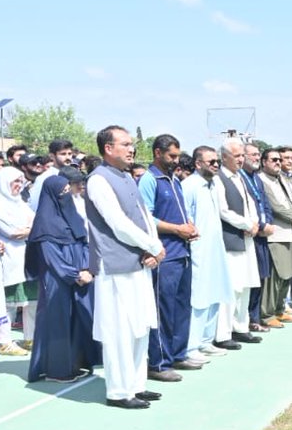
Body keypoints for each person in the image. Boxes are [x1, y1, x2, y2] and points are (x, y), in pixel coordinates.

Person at [85, 125, 166, 409]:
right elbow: (118, 224)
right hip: (115, 266)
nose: (132, 149)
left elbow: (144, 216)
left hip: (138, 262)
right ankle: (119, 392)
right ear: (108, 148)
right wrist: (153, 246)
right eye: (126, 144)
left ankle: (136, 385)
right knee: (119, 330)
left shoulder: (127, 177)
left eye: (132, 144)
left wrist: (154, 247)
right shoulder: (98, 180)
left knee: (140, 325)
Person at [24, 170, 100, 382]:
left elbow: (84, 242)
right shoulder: (45, 224)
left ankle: (77, 362)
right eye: (63, 192)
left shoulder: (73, 215)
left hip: (81, 276)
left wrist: (87, 268)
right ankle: (57, 370)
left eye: (68, 190)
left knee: (79, 318)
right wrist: (75, 274)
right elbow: (51, 258)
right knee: (58, 321)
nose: (67, 195)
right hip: (58, 281)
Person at [139, 134, 202, 380]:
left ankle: (177, 353)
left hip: (182, 252)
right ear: (157, 153)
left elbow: (178, 213)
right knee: (162, 310)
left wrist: (189, 226)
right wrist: (177, 229)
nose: (176, 161)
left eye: (177, 155)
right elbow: (146, 218)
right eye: (171, 156)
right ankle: (159, 363)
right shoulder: (149, 180)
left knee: (181, 307)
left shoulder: (174, 180)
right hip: (164, 256)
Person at [181, 146, 233, 361]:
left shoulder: (213, 185)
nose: (215, 165)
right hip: (198, 249)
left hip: (215, 248)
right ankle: (191, 347)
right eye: (211, 161)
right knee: (200, 298)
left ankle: (206, 341)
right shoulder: (189, 185)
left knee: (216, 292)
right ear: (198, 163)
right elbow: (186, 219)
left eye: (217, 162)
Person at [0, 166, 37, 356]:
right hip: (8, 259)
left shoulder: (20, 203)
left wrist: (29, 229)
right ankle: (4, 341)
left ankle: (30, 337)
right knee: (8, 303)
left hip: (27, 257)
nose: (19, 185)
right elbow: (13, 232)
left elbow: (35, 223)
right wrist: (31, 229)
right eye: (15, 181)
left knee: (32, 300)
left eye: (20, 181)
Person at [214, 138, 261, 346]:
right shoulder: (218, 179)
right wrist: (246, 224)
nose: (241, 160)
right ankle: (224, 333)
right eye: (237, 156)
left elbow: (251, 203)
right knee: (232, 287)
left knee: (246, 285)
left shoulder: (240, 177)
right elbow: (223, 211)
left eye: (243, 155)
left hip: (247, 237)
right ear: (224, 157)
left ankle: (241, 326)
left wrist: (255, 222)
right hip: (231, 238)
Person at [259, 147, 292, 325]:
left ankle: (280, 309)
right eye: (274, 160)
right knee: (275, 276)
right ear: (264, 162)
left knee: (288, 273)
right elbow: (275, 206)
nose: (278, 163)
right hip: (276, 233)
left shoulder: (285, 179)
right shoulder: (262, 180)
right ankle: (267, 314)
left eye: (279, 160)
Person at [242, 143, 276, 331]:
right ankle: (247, 319)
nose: (256, 158)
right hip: (251, 234)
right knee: (250, 279)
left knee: (261, 277)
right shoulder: (240, 177)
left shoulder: (257, 179)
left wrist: (268, 223)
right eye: (253, 155)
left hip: (263, 234)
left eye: (257, 155)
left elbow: (265, 204)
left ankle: (255, 317)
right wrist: (261, 226)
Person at [28, 138, 74, 211]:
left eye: (70, 154)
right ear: (52, 156)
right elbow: (34, 206)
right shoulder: (44, 178)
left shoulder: (74, 175)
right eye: (63, 154)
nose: (68, 157)